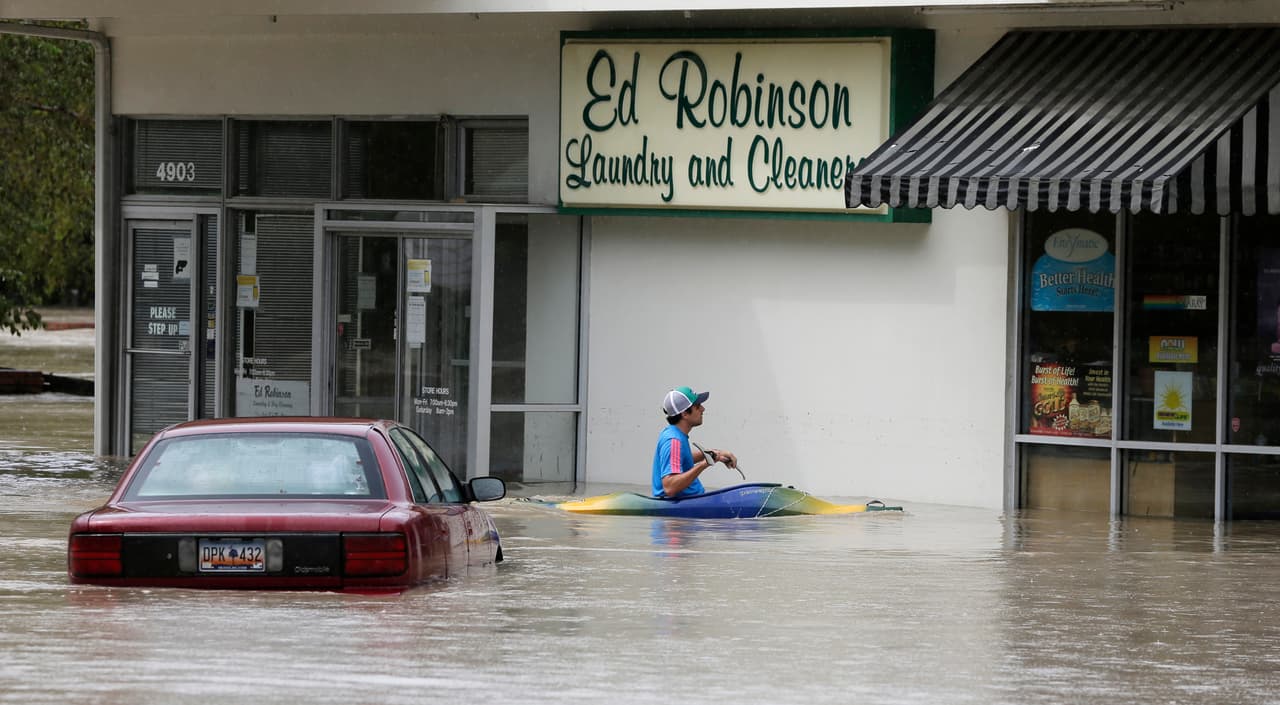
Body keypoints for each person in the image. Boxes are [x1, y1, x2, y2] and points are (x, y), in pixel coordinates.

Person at [652, 386, 737, 498]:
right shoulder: (673, 441)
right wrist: (704, 464)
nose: (703, 409)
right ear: (684, 414)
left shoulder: (674, 434)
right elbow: (669, 488)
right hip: (680, 507)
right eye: (697, 406)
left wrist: (716, 453)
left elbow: (681, 459)